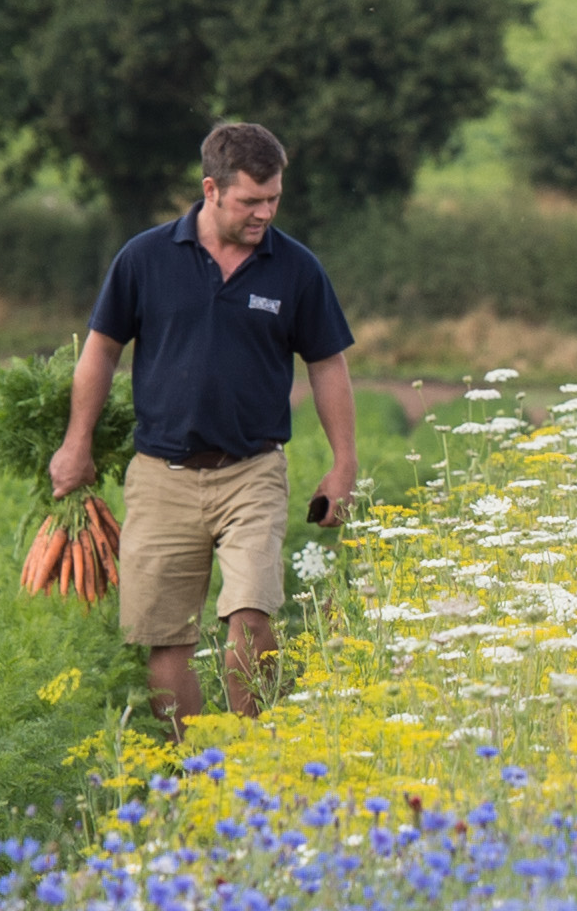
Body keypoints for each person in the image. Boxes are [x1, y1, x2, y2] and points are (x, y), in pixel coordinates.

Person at [52, 119, 358, 719]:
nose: (264, 213)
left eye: (273, 200)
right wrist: (75, 444)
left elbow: (327, 364)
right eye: (250, 200)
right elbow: (101, 352)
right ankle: (194, 783)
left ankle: (254, 767)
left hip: (253, 470)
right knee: (165, 640)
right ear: (211, 189)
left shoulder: (294, 269)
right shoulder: (144, 259)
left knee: (249, 620)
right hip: (161, 473)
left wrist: (344, 462)